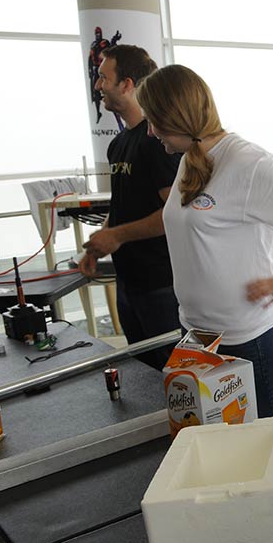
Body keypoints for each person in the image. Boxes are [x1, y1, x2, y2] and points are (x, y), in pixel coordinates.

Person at [135, 64, 273, 418]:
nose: (149, 131)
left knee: (267, 441)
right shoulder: (190, 159)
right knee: (221, 440)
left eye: (154, 120)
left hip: (252, 335)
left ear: (176, 115)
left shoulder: (246, 161)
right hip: (199, 333)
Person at [81, 44, 180, 370]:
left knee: (174, 377)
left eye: (103, 78)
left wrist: (118, 236)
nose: (98, 86)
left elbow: (174, 216)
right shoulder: (118, 144)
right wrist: (100, 243)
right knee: (143, 374)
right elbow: (122, 202)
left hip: (160, 285)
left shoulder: (157, 141)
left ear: (126, 84)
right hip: (129, 283)